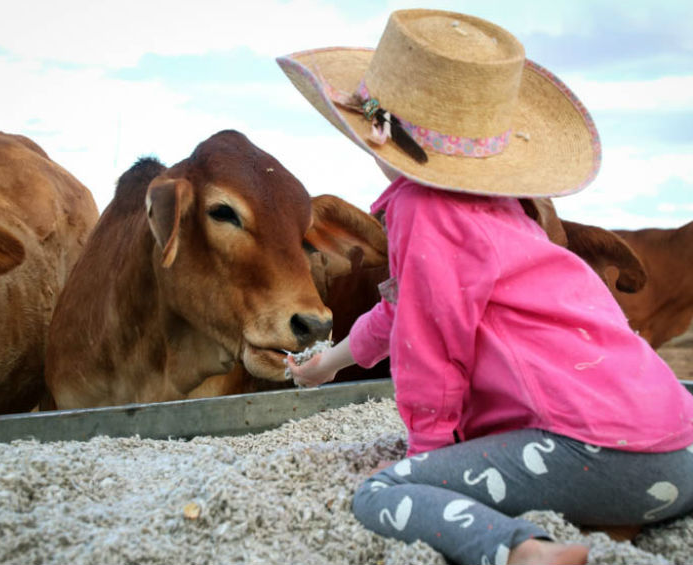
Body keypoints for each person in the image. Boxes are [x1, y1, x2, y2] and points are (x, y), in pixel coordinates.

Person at [277, 9, 693, 565]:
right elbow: (404, 305)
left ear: (377, 134)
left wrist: (427, 457)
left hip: (605, 456)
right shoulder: (502, 209)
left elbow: (429, 342)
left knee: (382, 494)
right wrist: (329, 364)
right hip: (675, 452)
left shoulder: (422, 208)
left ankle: (524, 551)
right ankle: (610, 517)